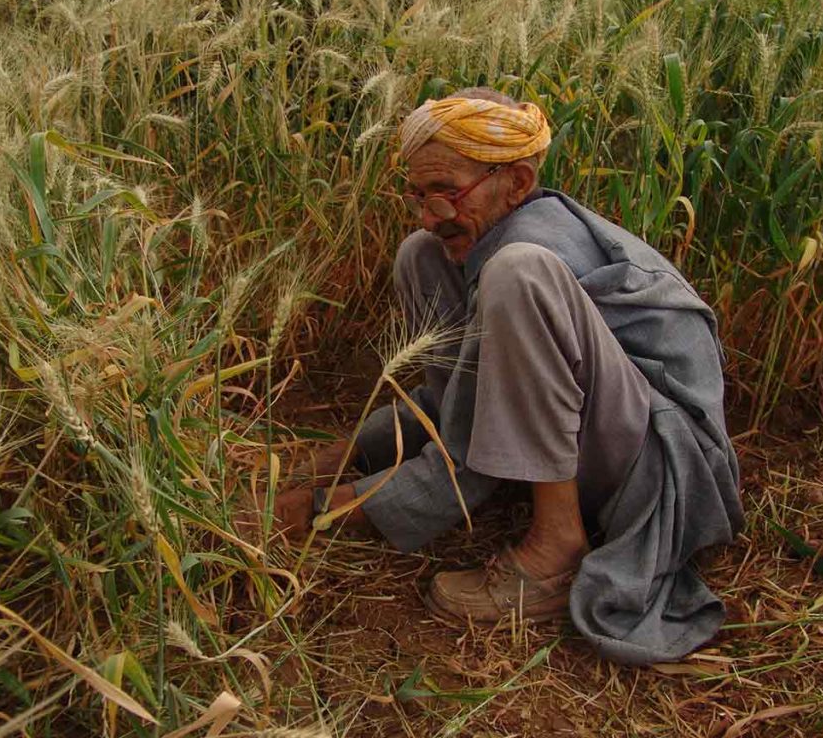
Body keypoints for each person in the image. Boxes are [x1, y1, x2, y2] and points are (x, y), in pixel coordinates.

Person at [243, 87, 744, 665]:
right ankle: (426, 462)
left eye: (448, 192)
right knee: (419, 251)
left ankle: (557, 549)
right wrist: (354, 448)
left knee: (517, 273)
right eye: (419, 193)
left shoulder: (530, 254)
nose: (432, 213)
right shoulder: (485, 232)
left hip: (665, 466)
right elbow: (458, 399)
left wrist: (328, 508)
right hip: (601, 433)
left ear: (520, 182)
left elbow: (467, 446)